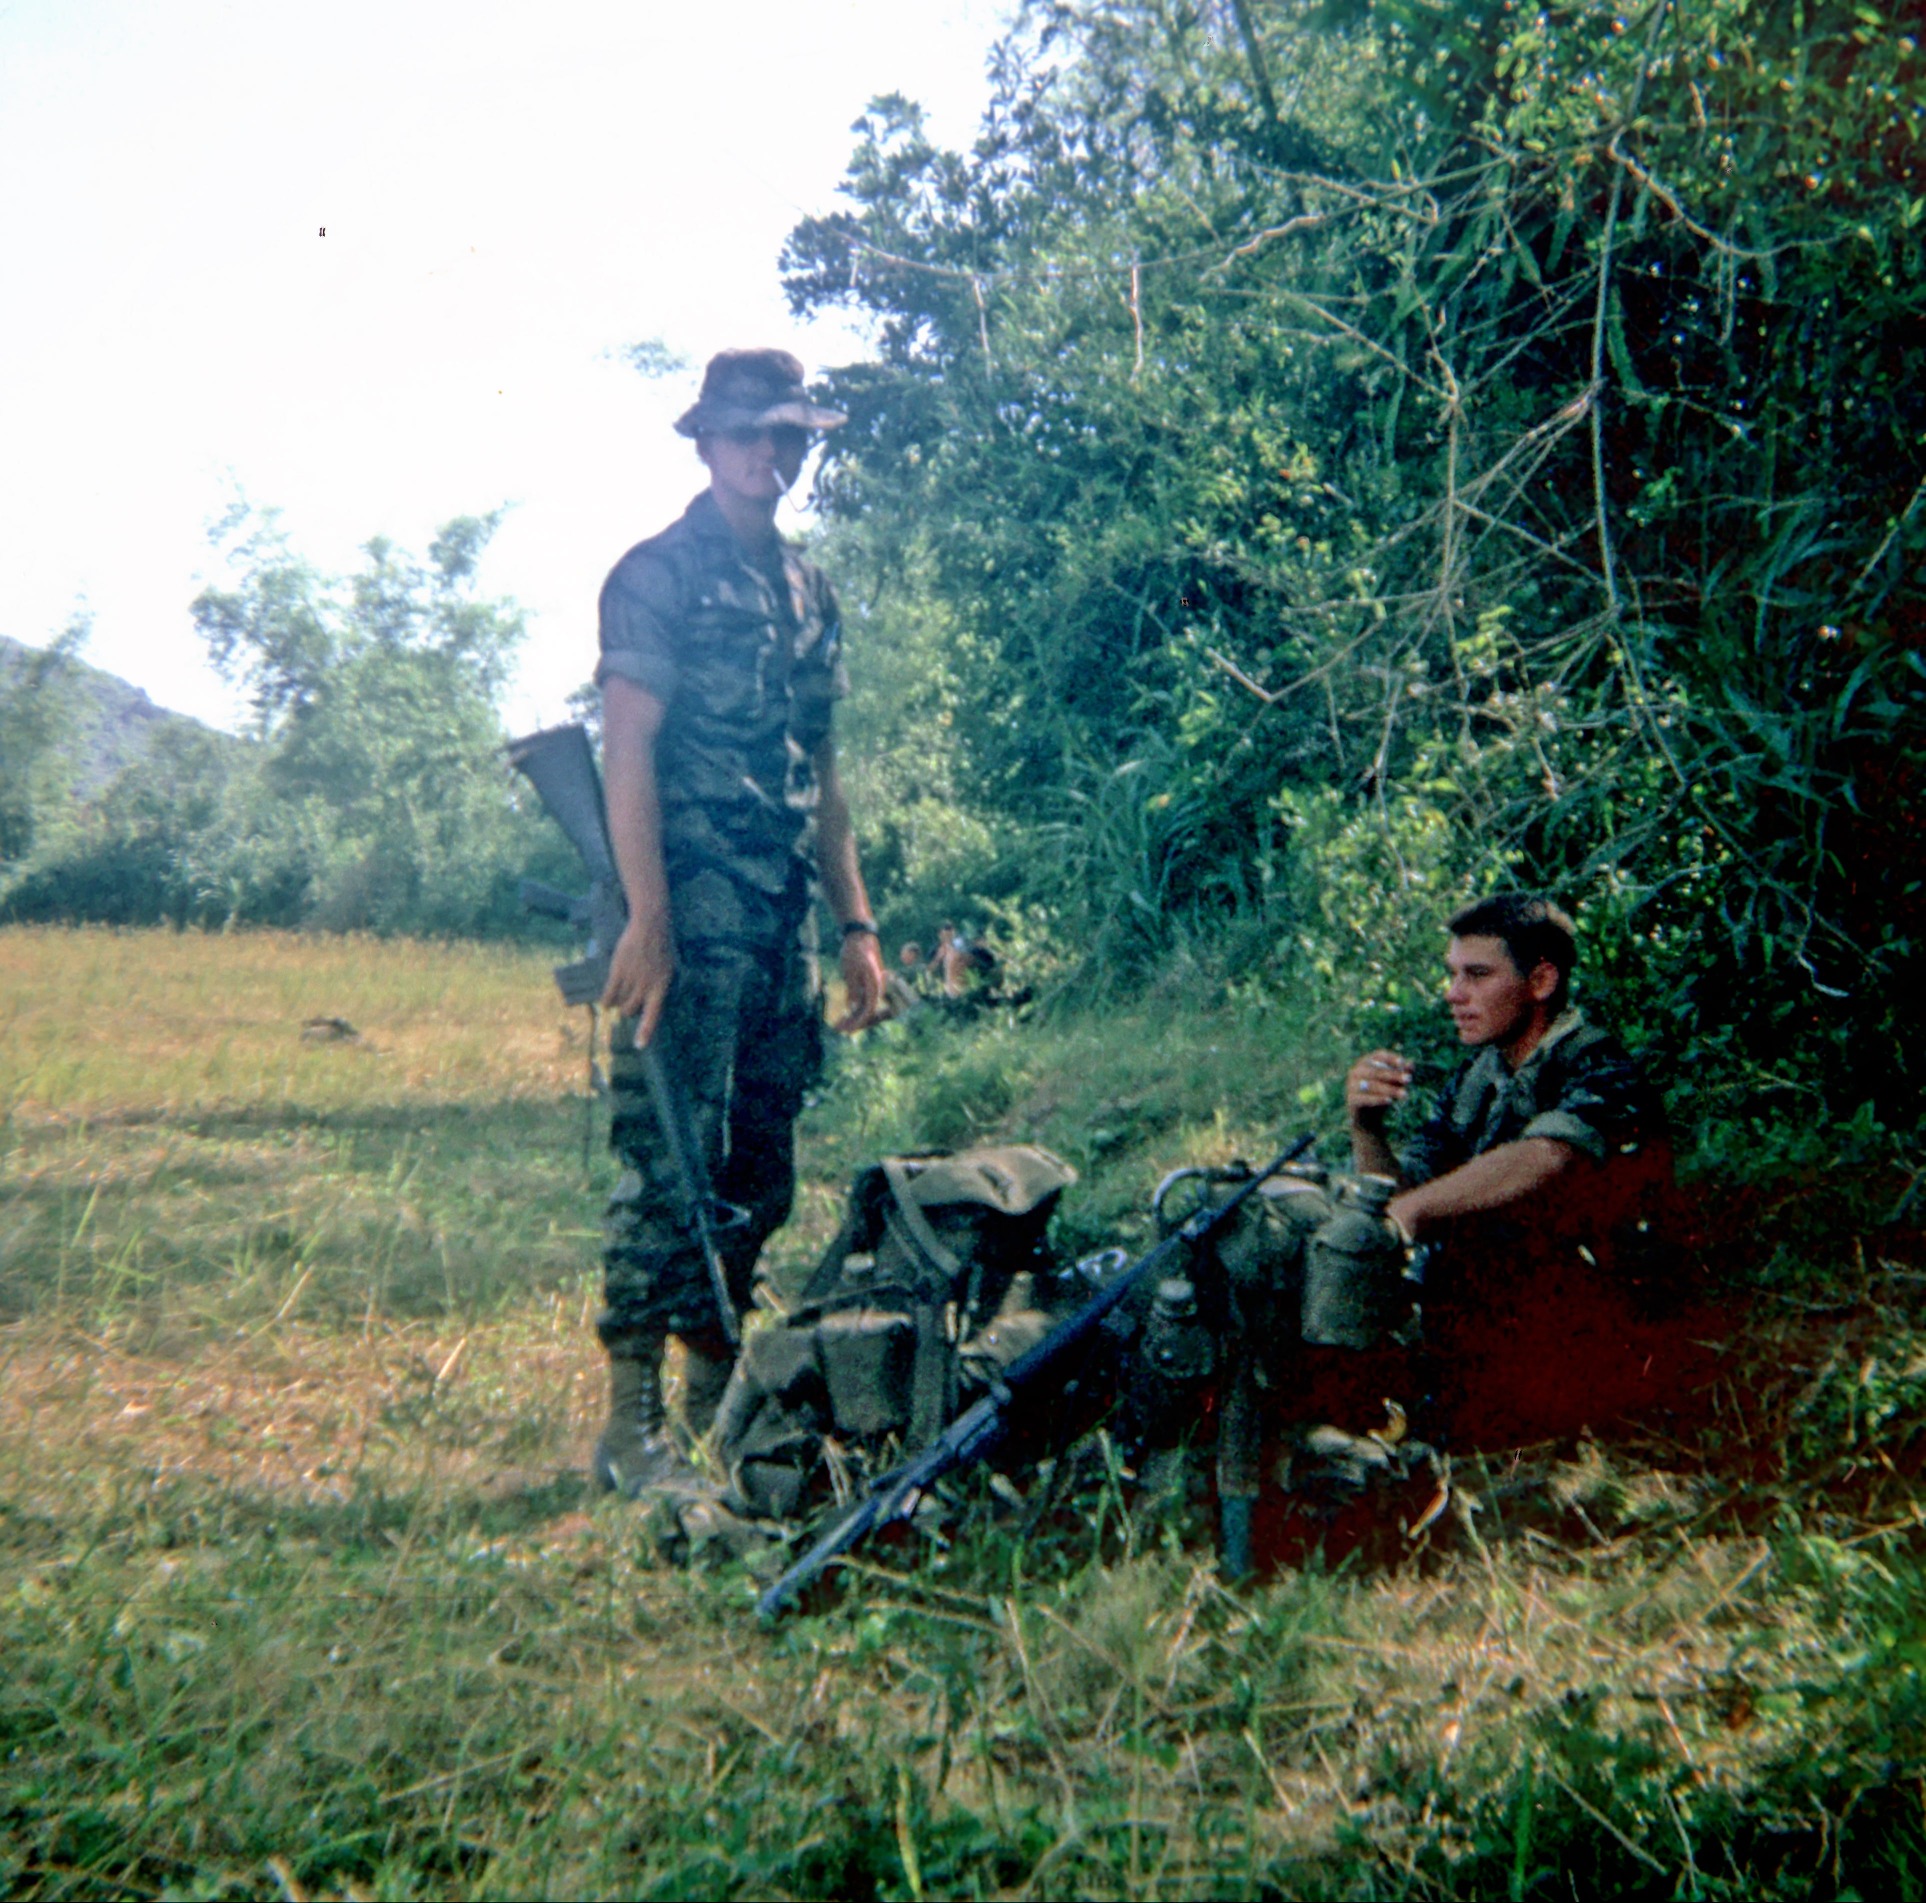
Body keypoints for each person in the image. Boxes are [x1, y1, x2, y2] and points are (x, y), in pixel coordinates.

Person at [590, 348, 888, 1495]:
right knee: (666, 1154)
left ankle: (711, 1408)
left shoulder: (811, 591)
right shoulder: (654, 576)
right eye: (754, 435)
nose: (774, 457)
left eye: (792, 438)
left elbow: (826, 771)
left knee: (759, 1163)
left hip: (781, 915)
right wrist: (649, 918)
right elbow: (627, 749)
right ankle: (631, 1428)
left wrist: (857, 925)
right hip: (688, 909)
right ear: (709, 443)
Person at [1343, 893, 1673, 1444]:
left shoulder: (1599, 1067)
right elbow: (1407, 1191)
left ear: (1541, 982)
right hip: (1504, 1320)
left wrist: (1411, 1210)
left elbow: (1546, 1157)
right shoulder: (1479, 1077)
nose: (1454, 994)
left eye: (1477, 975)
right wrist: (1367, 1129)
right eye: (1452, 975)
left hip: (1599, 1329)